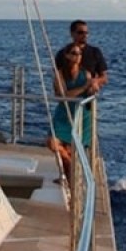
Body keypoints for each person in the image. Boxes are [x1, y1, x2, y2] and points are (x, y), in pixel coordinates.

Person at [47, 43, 98, 178]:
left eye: (80, 54)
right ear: (67, 55)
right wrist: (83, 87)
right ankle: (70, 169)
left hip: (81, 116)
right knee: (52, 142)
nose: (78, 56)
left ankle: (67, 179)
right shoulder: (60, 74)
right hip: (63, 115)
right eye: (74, 53)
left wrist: (92, 87)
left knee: (71, 150)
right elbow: (62, 96)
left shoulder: (85, 74)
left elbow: (89, 93)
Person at [54, 19, 109, 89]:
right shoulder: (62, 54)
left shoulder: (95, 52)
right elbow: (57, 76)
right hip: (67, 94)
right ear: (72, 33)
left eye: (86, 33)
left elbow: (104, 77)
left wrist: (95, 81)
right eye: (81, 32)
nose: (85, 35)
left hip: (88, 95)